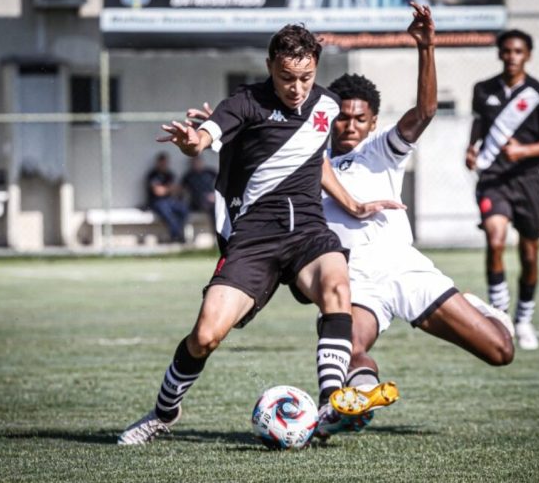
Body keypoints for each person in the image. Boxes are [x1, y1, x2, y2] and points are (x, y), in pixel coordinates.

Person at [118, 23, 399, 445]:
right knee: (206, 335)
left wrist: (352, 203)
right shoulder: (245, 102)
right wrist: (192, 141)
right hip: (254, 237)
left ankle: (331, 402)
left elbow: (314, 157)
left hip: (307, 229)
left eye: (306, 77)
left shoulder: (327, 104)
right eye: (287, 78)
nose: (297, 88)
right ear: (270, 67)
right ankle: (163, 412)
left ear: (316, 68)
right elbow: (204, 138)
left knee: (337, 285)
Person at [316, 2, 515, 437]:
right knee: (349, 347)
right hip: (356, 282)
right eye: (342, 117)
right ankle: (361, 397)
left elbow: (424, 112)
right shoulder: (311, 161)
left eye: (359, 118)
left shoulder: (380, 151)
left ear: (371, 124)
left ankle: (476, 304)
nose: (349, 125)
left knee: (501, 351)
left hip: (405, 268)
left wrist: (427, 46)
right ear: (330, 119)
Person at [465, 29, 539, 350]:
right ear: (500, 54)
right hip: (492, 180)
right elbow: (479, 124)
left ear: (528, 55)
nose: (512, 57)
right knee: (495, 242)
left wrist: (524, 151)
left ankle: (524, 319)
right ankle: (500, 317)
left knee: (530, 254)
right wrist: (471, 149)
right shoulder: (483, 89)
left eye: (518, 51)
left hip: (527, 182)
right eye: (507, 51)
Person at [146, 152, 190, 243]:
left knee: (183, 209)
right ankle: (177, 236)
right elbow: (158, 192)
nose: (164, 165)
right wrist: (169, 189)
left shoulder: (170, 174)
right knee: (167, 213)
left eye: (165, 163)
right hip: (157, 201)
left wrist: (166, 189)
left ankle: (177, 234)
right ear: (158, 163)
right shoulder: (152, 174)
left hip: (170, 200)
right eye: (162, 163)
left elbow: (177, 189)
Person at [180, 154, 218, 228]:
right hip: (196, 201)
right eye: (194, 163)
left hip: (210, 200)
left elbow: (222, 182)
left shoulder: (210, 172)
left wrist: (215, 195)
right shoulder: (189, 175)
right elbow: (182, 190)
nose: (196, 164)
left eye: (198, 162)